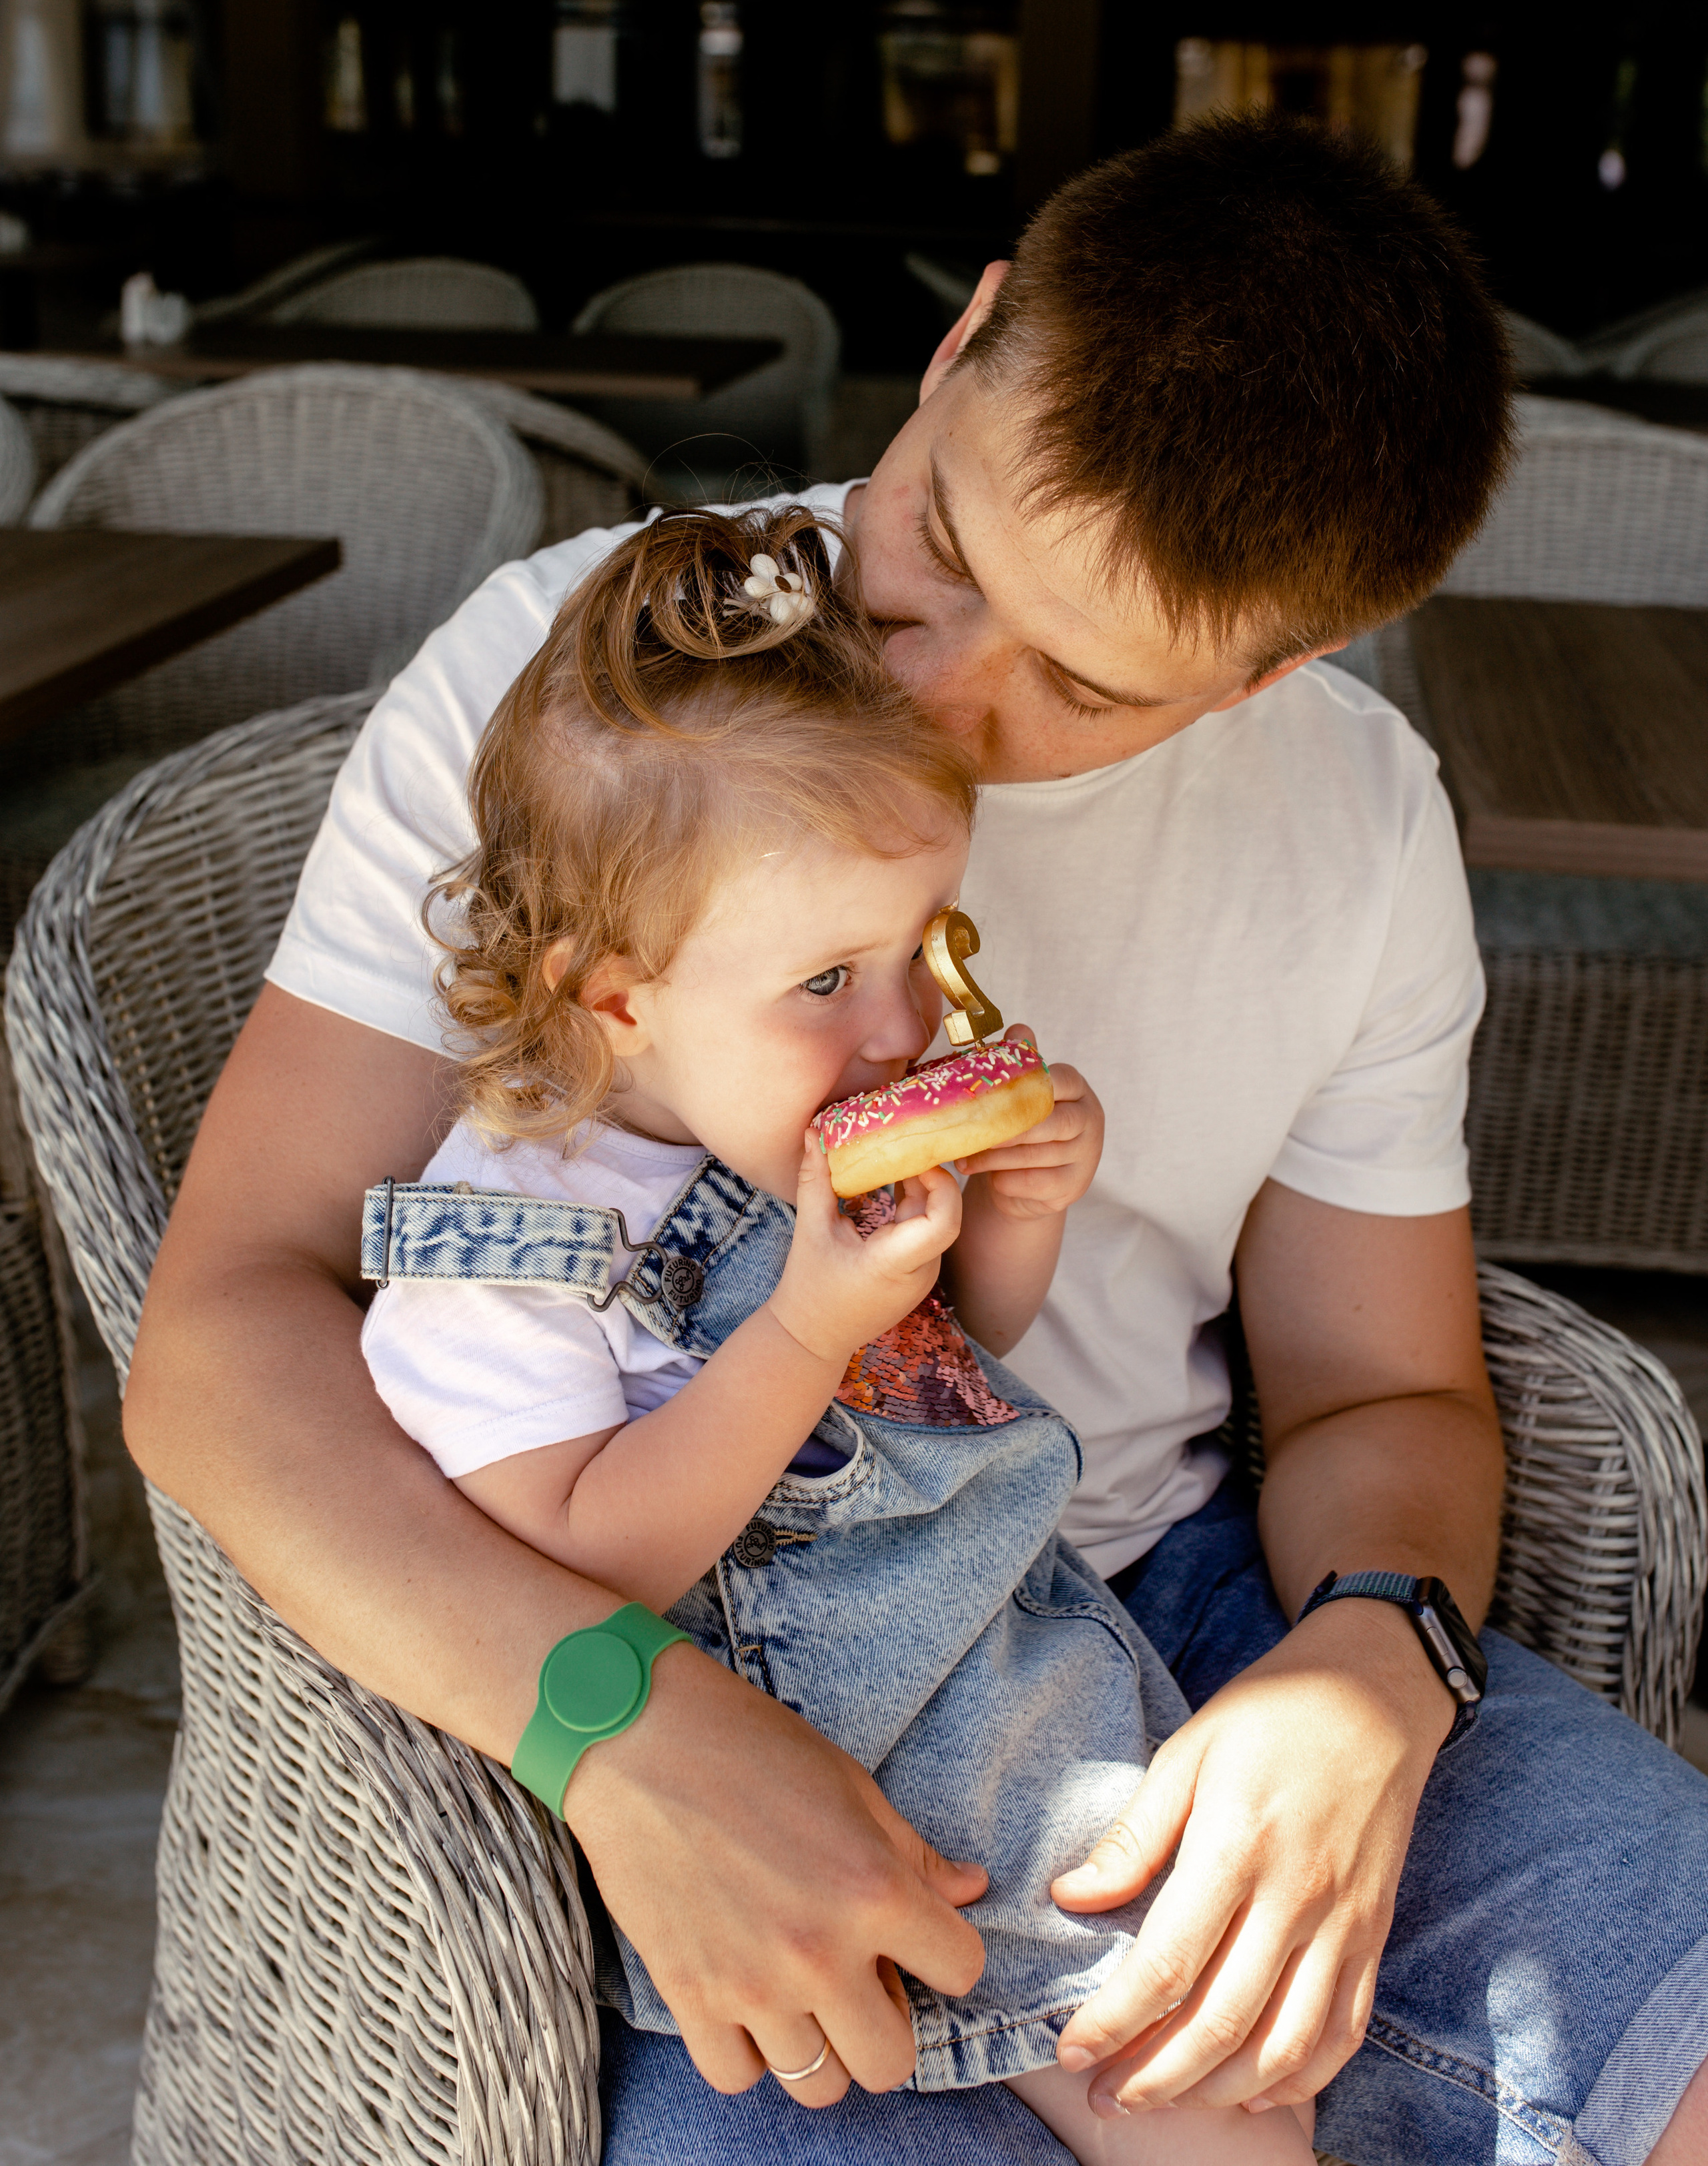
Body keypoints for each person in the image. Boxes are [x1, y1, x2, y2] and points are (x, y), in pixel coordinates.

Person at [123, 115, 1708, 2163]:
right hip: (720, 1646)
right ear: (964, 340)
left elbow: (1387, 1383)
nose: (939, 705)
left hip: (1182, 1590)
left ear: (1274, 670)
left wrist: (1375, 1668)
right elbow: (227, 1332)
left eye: (1077, 683)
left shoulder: (1361, 815)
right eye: (944, 550)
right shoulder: (591, 693)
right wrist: (620, 1724)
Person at [358, 499, 1315, 2159]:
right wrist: (802, 1325)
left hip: (1039, 1684)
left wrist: (1011, 1222)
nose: (895, 1028)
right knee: (1221, 2106)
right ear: (613, 996)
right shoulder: (501, 1252)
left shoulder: (791, 1122)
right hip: (856, 1795)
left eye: (919, 950)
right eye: (823, 981)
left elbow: (948, 1375)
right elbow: (595, 1561)